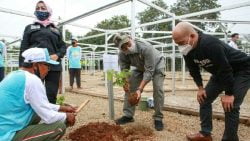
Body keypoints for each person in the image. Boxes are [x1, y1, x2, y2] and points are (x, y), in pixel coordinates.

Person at [172, 22, 250, 141]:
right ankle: (205, 134)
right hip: (220, 72)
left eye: (181, 43)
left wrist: (229, 94)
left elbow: (226, 69)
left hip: (242, 70)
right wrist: (200, 88)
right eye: (177, 44)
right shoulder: (187, 49)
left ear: (192, 36)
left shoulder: (210, 44)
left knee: (231, 105)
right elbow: (193, 69)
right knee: (204, 99)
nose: (180, 46)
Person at [0, 48, 76, 141]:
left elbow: (41, 104)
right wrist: (67, 116)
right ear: (35, 65)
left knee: (36, 112)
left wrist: (62, 108)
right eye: (47, 65)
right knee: (59, 127)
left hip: (4, 128)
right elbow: (48, 116)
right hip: (5, 136)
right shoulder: (32, 80)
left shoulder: (15, 74)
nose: (48, 70)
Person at [113, 34, 165, 131]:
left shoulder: (145, 47)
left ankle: (158, 118)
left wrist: (140, 90)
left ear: (131, 39)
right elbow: (124, 70)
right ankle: (128, 116)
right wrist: (125, 82)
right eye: (123, 47)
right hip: (139, 66)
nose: (127, 48)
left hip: (157, 65)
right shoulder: (122, 54)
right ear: (120, 49)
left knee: (158, 89)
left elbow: (149, 71)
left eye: (127, 44)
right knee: (130, 86)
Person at [19, 0, 66, 104]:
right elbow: (23, 48)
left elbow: (63, 47)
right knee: (33, 95)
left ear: (49, 11)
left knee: (51, 95)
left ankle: (50, 118)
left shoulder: (56, 30)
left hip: (53, 67)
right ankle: (34, 118)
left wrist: (57, 55)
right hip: (34, 67)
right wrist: (22, 67)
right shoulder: (29, 27)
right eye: (37, 8)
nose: (40, 10)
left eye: (43, 8)